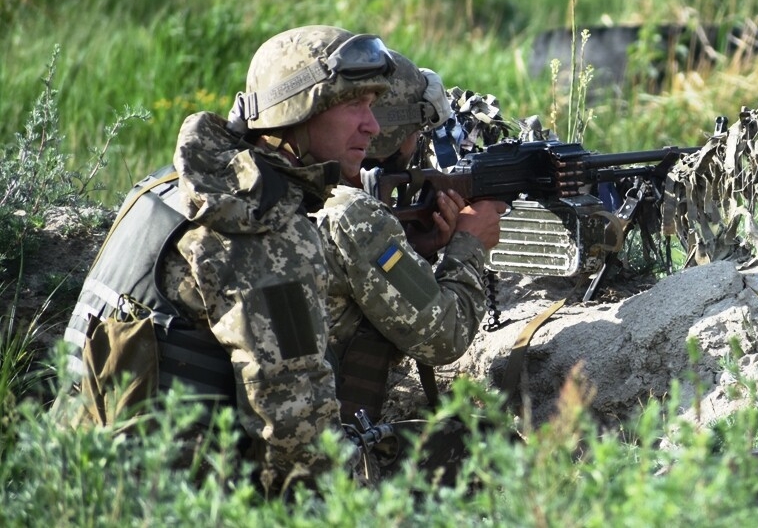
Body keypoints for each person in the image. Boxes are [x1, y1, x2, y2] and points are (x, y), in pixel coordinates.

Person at [53, 24, 506, 491]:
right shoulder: (263, 233)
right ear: (300, 107)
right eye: (355, 104)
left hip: (79, 479)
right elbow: (299, 450)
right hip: (177, 500)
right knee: (481, 455)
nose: (372, 126)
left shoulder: (167, 189)